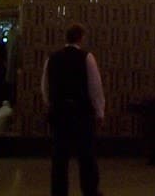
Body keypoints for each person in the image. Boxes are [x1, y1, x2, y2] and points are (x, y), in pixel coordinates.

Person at [40, 24, 104, 196]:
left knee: (59, 157)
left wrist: (51, 105)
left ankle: (59, 191)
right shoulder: (86, 57)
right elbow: (95, 87)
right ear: (81, 37)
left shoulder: (52, 58)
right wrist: (99, 111)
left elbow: (45, 87)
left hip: (60, 113)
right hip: (81, 112)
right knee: (87, 156)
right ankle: (90, 189)